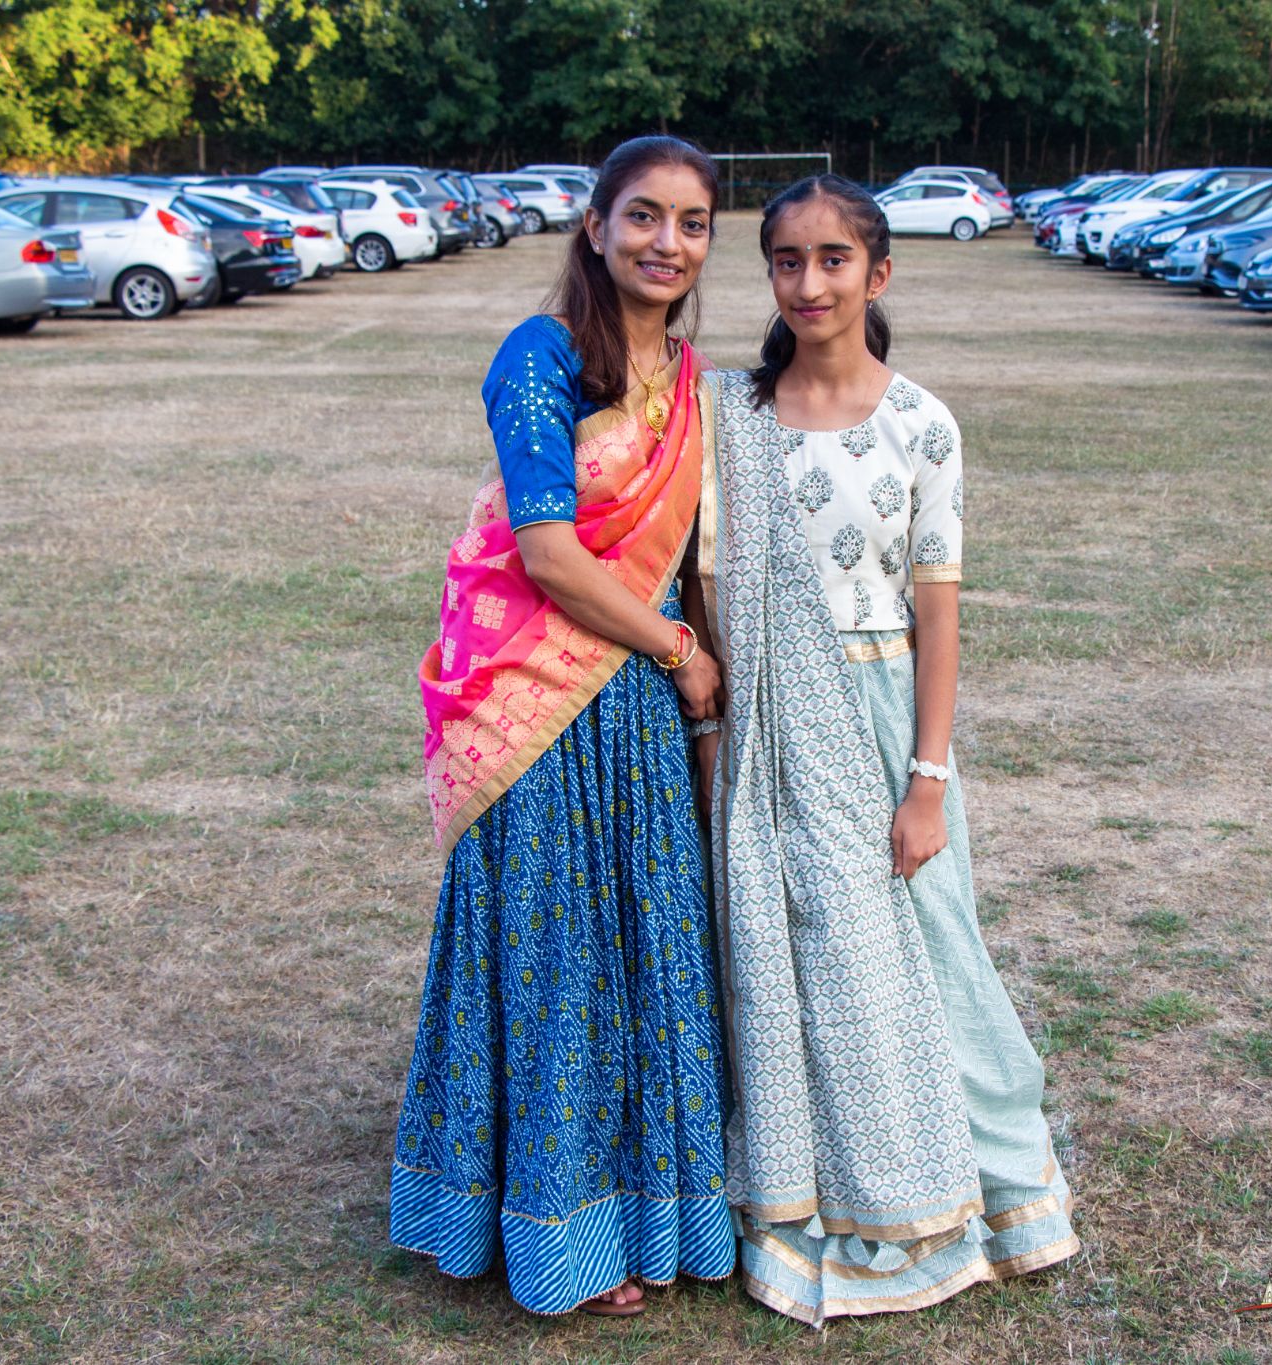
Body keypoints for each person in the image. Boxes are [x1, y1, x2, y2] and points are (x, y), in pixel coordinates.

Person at [695, 174, 1079, 1324]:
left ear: (877, 272)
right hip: (761, 727)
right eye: (784, 261)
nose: (806, 283)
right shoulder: (729, 416)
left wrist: (927, 781)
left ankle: (981, 1192)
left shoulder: (920, 424)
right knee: (785, 961)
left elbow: (938, 616)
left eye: (830, 260)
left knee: (928, 949)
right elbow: (703, 582)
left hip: (877, 719)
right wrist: (716, 729)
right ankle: (800, 1192)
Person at [387, 136, 735, 1318]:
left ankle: (645, 1212)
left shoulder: (687, 380)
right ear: (594, 227)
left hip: (633, 708)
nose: (665, 244)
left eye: (690, 224)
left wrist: (687, 655)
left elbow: (683, 548)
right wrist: (680, 649)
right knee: (553, 957)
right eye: (642, 217)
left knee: (646, 954)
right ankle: (549, 1229)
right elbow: (546, 555)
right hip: (539, 700)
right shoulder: (541, 358)